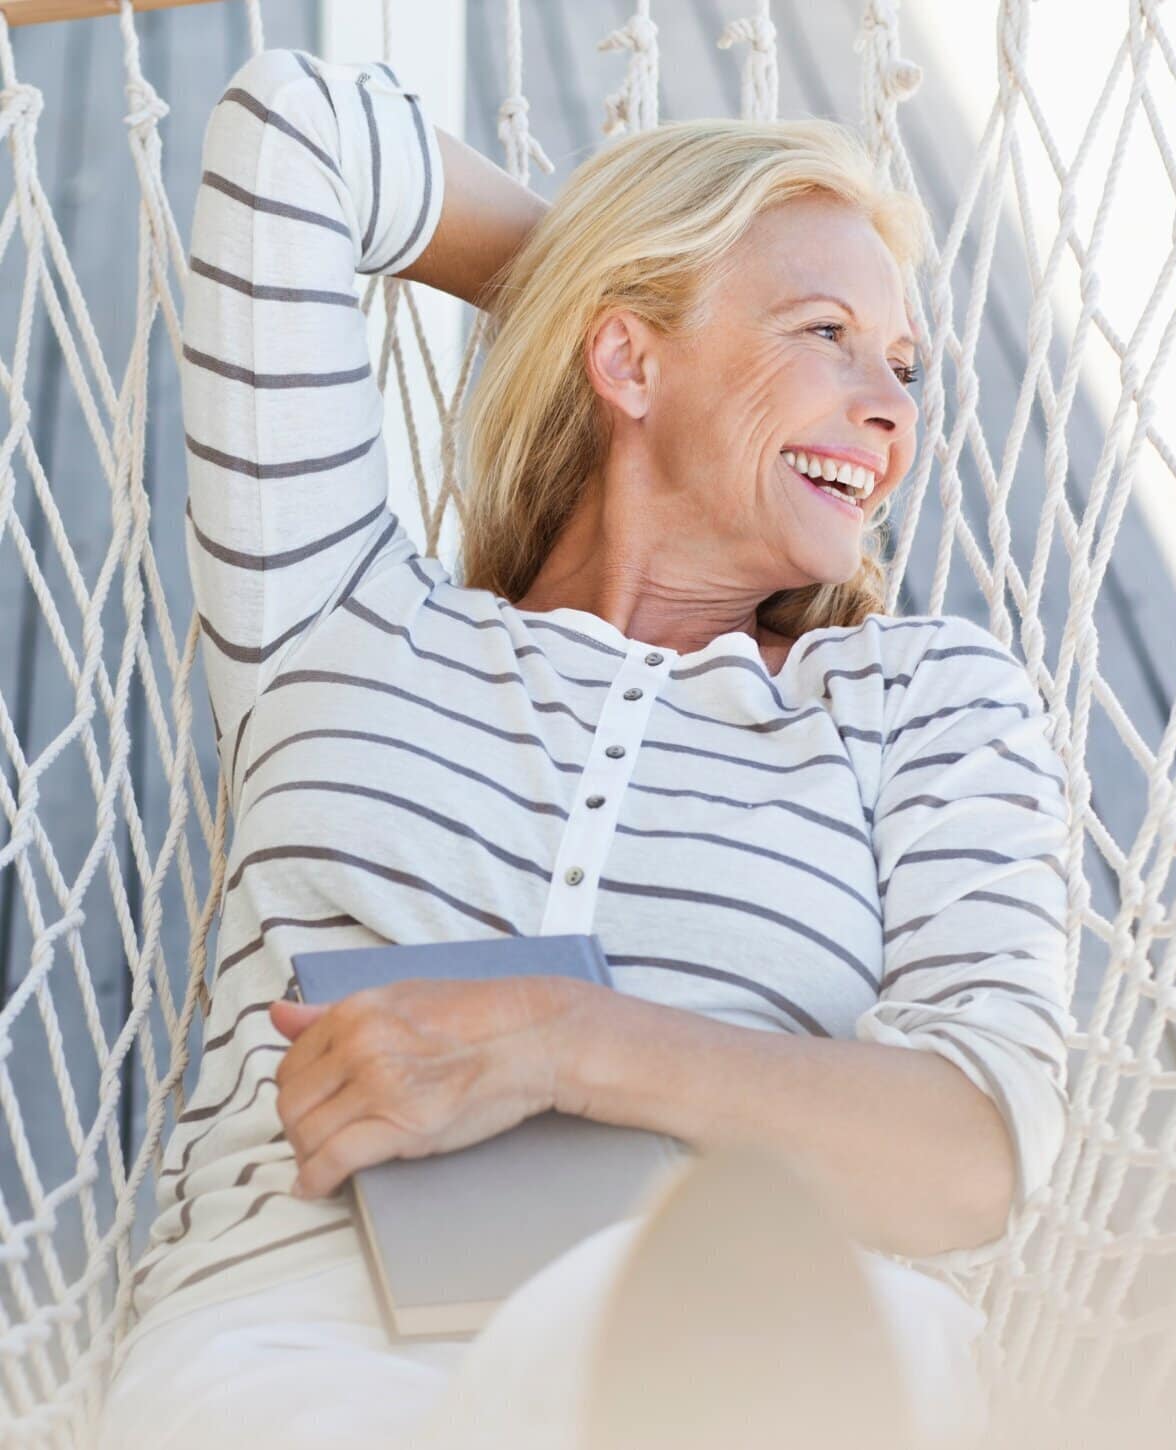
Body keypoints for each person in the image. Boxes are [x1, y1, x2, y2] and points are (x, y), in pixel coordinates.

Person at [96, 41, 1074, 1450]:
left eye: (907, 366)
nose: (895, 407)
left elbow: (971, 1150)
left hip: (737, 1336)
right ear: (625, 356)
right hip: (303, 1352)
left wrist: (562, 1040)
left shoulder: (919, 699)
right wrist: (596, 286)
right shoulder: (337, 616)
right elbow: (296, 133)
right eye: (826, 334)